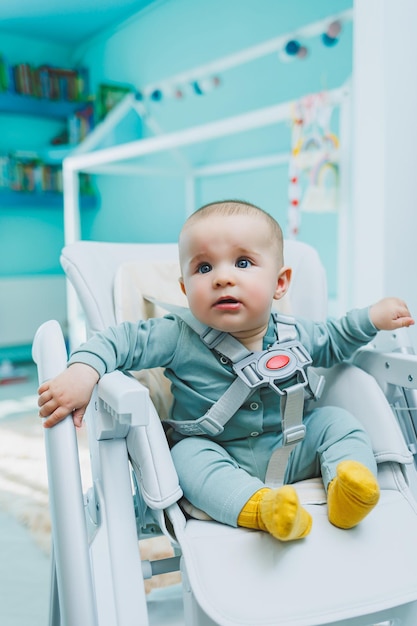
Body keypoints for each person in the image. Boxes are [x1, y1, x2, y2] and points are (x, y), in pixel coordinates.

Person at [38, 200, 415, 542]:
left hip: (295, 444)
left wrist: (372, 319)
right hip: (219, 453)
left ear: (279, 283)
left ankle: (348, 491)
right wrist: (84, 370)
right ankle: (262, 509)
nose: (222, 277)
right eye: (204, 267)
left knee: (338, 423)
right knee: (185, 459)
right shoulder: (176, 334)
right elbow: (121, 342)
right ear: (186, 289)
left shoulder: (294, 332)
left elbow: (335, 339)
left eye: (243, 263)